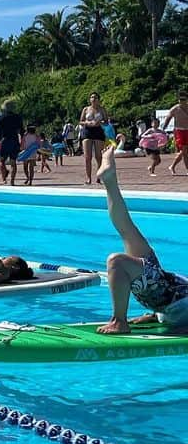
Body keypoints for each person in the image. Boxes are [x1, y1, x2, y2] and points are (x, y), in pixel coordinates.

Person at [95, 147, 187, 334]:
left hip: (169, 292)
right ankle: (110, 182)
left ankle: (119, 322)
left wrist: (158, 313)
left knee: (122, 243)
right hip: (168, 293)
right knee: (122, 244)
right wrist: (157, 313)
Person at [79, 91, 110, 185]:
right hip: (87, 131)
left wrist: (100, 122)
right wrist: (87, 123)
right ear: (90, 99)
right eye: (92, 97)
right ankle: (88, 178)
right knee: (87, 157)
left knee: (98, 156)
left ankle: (99, 177)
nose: (93, 99)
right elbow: (81, 121)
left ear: (98, 99)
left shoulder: (102, 109)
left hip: (98, 131)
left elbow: (107, 122)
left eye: (95, 97)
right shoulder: (86, 109)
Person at [160, 91, 188, 175]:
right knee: (184, 151)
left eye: (184, 99)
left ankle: (172, 166)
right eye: (180, 99)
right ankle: (187, 169)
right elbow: (168, 118)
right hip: (179, 131)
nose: (182, 101)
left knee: (184, 152)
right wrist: (164, 128)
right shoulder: (175, 108)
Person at [0, 99, 23, 186]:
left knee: (1, 161)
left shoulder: (2, 117)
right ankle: (12, 181)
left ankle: (4, 179)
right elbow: (22, 130)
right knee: (13, 162)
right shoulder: (18, 117)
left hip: (5, 140)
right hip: (14, 140)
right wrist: (22, 141)